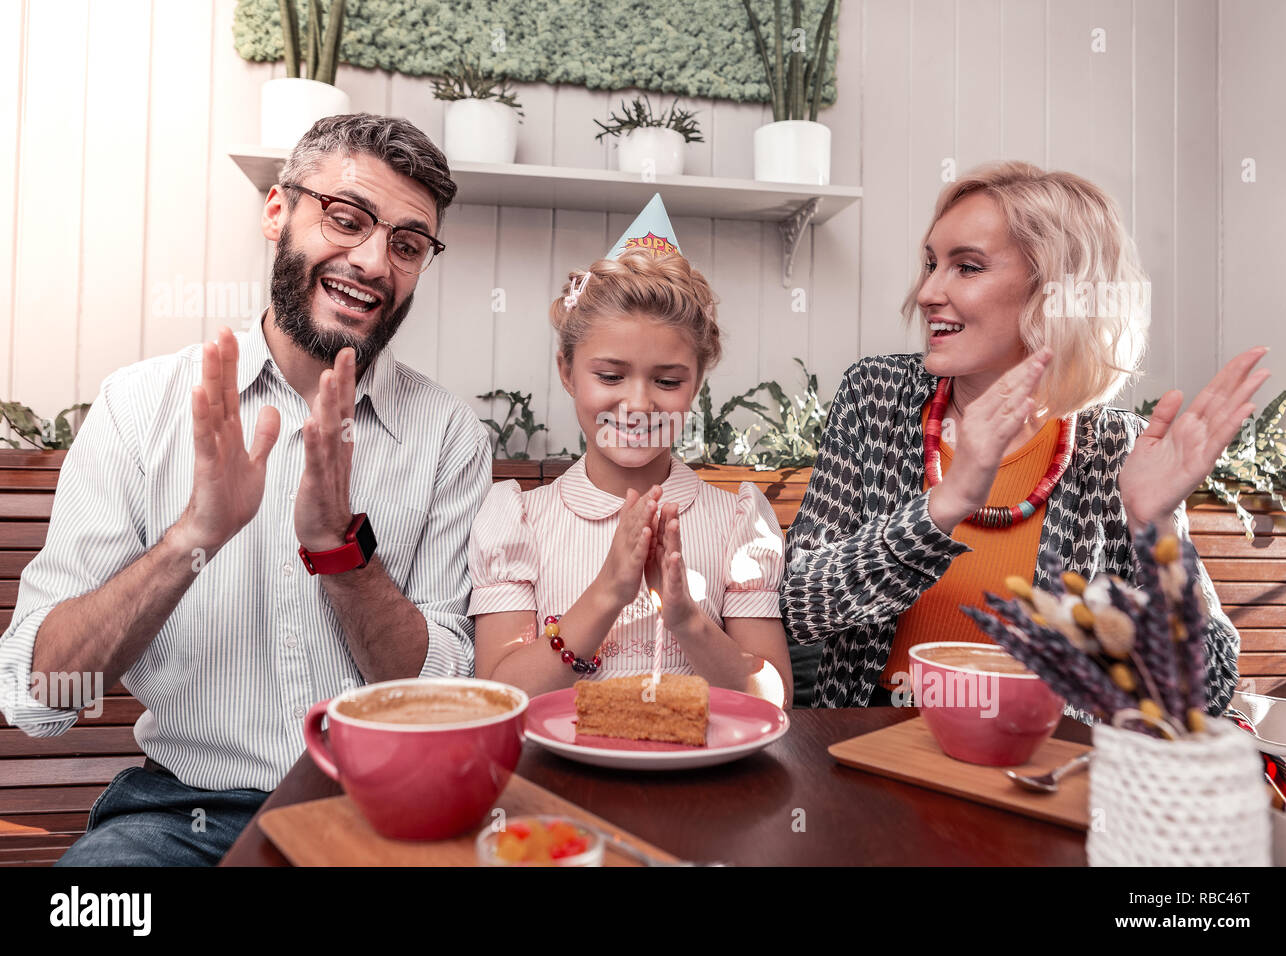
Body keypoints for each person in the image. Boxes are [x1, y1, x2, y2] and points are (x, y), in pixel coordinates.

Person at [0, 113, 492, 865]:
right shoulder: (138, 407)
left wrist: (340, 553)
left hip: (387, 816)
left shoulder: (449, 438)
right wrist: (191, 537)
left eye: (406, 244)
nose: (371, 261)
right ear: (276, 210)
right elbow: (38, 695)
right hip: (180, 817)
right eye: (345, 218)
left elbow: (442, 697)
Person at [781, 160, 1264, 716]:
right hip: (877, 755)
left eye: (967, 267)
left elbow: (1208, 690)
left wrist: (1152, 533)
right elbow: (799, 603)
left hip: (1044, 775)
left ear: (1056, 293)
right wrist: (945, 504)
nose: (927, 292)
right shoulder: (878, 395)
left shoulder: (1116, 447)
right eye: (930, 264)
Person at [470, 195, 792, 707]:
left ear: (697, 383)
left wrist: (684, 615)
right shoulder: (519, 519)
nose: (638, 404)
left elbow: (773, 697)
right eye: (610, 376)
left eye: (667, 380)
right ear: (567, 372)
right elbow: (496, 695)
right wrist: (606, 594)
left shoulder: (737, 519)